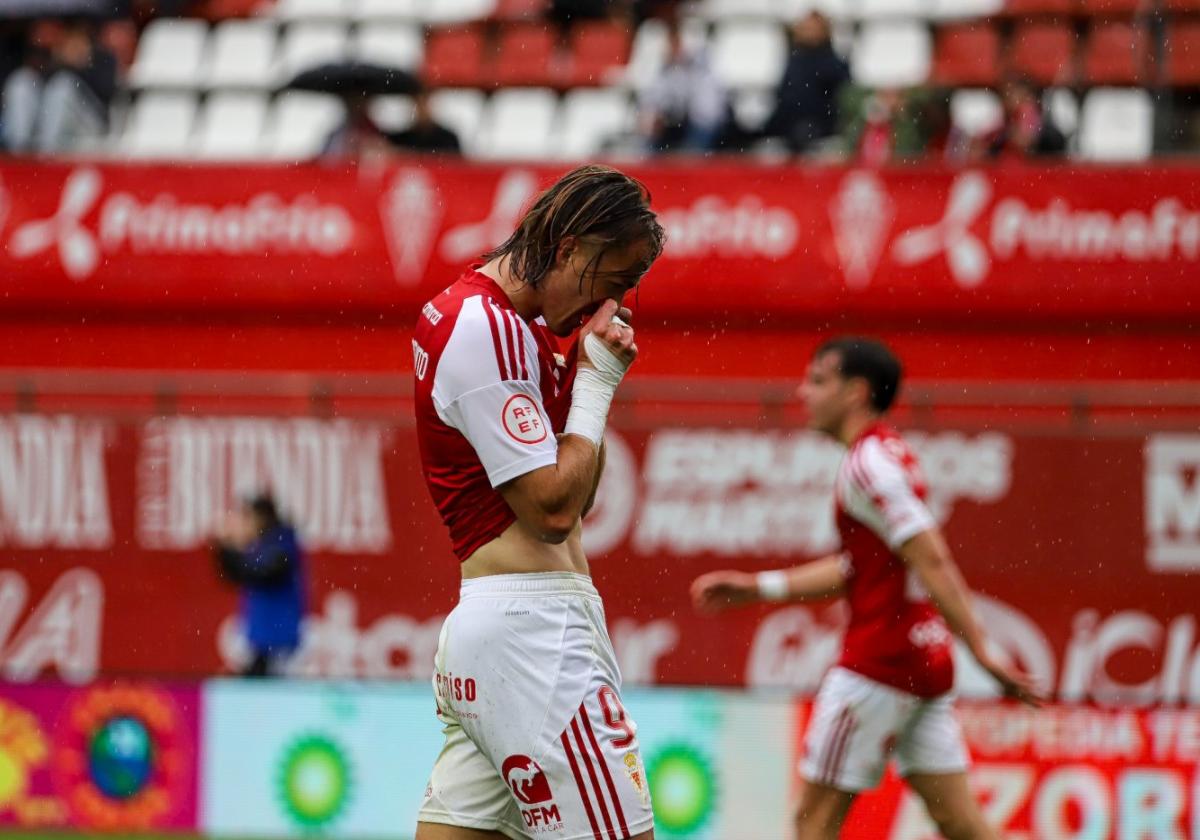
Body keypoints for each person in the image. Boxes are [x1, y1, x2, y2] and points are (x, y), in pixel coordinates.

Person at [690, 337, 1041, 840]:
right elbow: (866, 566)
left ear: (856, 392)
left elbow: (931, 555)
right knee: (963, 824)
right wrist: (757, 588)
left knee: (813, 826)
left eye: (817, 380)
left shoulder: (867, 466)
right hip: (923, 660)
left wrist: (983, 651)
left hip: (878, 668)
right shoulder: (890, 454)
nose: (802, 392)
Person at [412, 165, 665, 840]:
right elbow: (553, 514)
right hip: (536, 641)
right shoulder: (484, 328)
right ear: (570, 248)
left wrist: (586, 375)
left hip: (499, 633)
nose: (606, 308)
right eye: (612, 282)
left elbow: (575, 489)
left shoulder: (501, 326)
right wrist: (598, 384)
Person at [212, 494, 306, 678]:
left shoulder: (282, 543)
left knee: (271, 699)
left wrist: (229, 548)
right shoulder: (261, 546)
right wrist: (224, 547)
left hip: (280, 647)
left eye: (247, 517)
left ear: (261, 518)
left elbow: (260, 573)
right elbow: (235, 575)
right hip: (264, 646)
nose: (244, 524)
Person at [2, 19, 117, 155]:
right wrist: (60, 62)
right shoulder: (52, 57)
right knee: (21, 81)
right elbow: (39, 88)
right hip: (46, 125)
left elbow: (107, 93)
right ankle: (18, 155)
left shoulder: (102, 56)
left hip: (93, 125)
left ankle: (45, 156)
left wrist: (80, 66)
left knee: (62, 87)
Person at [762, 11, 850, 154]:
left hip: (819, 127)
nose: (809, 33)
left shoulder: (834, 63)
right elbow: (784, 99)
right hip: (789, 126)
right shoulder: (794, 61)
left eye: (813, 28)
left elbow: (838, 102)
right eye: (806, 28)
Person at [637, 24, 726, 154]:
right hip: (674, 124)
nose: (673, 49)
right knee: (649, 137)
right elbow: (652, 99)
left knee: (698, 139)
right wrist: (654, 115)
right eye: (671, 44)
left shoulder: (702, 69)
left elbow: (708, 110)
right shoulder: (664, 71)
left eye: (677, 44)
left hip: (702, 124)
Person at [388, 89, 461, 155]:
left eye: (424, 103)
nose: (421, 109)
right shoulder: (402, 139)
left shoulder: (448, 139)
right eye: (418, 104)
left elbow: (454, 163)